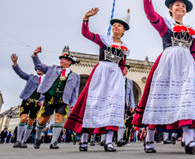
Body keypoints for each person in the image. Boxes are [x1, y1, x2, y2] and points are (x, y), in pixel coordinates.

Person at [131, 0, 195, 154]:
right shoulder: (165, 24)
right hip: (168, 63)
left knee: (186, 100)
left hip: (187, 67)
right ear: (171, 9)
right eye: (177, 5)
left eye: (183, 6)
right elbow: (151, 15)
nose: (180, 7)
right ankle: (150, 137)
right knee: (160, 99)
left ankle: (190, 141)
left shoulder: (192, 31)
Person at [64, 8, 131, 152]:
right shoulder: (104, 39)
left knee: (113, 105)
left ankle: (108, 141)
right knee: (92, 103)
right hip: (101, 72)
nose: (115, 27)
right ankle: (83, 139)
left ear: (124, 30)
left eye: (119, 25)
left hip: (115, 75)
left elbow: (122, 63)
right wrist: (86, 18)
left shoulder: (125, 48)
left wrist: (122, 71)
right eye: (114, 25)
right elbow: (86, 34)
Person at [32, 47, 80, 149]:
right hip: (50, 97)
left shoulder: (75, 76)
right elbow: (39, 66)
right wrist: (35, 56)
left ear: (69, 62)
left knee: (59, 117)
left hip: (63, 99)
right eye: (61, 59)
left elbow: (75, 92)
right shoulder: (53, 68)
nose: (61, 60)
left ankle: (54, 142)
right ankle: (37, 138)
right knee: (44, 118)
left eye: (64, 59)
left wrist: (73, 104)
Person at [10, 53, 44, 148]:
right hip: (27, 100)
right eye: (37, 68)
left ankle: (24, 141)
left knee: (31, 122)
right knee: (23, 118)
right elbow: (20, 73)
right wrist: (15, 63)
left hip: (37, 103)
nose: (38, 70)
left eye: (40, 68)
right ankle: (18, 140)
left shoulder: (46, 81)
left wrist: (43, 100)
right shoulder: (31, 77)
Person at [117, 64, 135, 147]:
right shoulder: (116, 79)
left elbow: (131, 94)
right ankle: (104, 139)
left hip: (124, 104)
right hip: (115, 102)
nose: (126, 70)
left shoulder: (129, 81)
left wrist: (132, 105)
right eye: (124, 68)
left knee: (122, 121)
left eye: (127, 69)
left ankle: (119, 139)